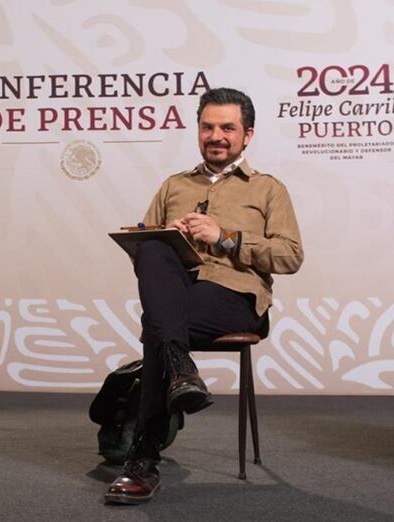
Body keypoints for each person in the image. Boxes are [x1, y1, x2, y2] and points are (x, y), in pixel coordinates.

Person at [105, 87, 304, 504]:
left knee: (158, 325)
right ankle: (181, 371)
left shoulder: (268, 189)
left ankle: (144, 454)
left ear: (247, 135)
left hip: (235, 297)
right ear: (198, 130)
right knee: (154, 248)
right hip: (179, 293)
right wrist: (166, 238)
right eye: (207, 127)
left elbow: (290, 256)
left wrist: (226, 237)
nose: (216, 135)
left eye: (227, 128)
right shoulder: (174, 184)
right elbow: (144, 258)